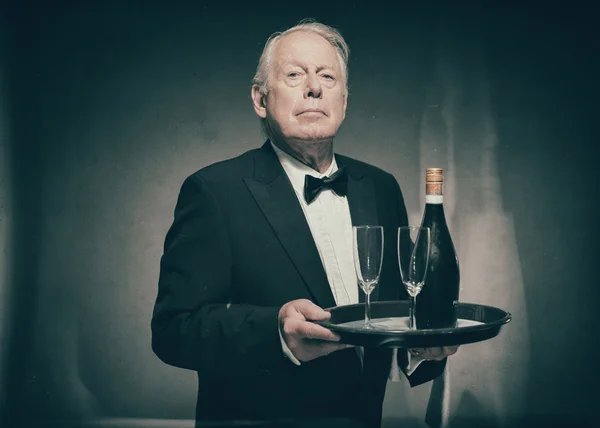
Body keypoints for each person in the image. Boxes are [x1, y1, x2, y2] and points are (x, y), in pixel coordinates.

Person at [151, 19, 458, 428]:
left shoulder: (381, 187)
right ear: (260, 99)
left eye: (327, 77)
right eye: (295, 74)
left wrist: (422, 351)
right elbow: (173, 330)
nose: (313, 87)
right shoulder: (213, 190)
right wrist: (276, 332)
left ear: (344, 103)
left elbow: (396, 316)